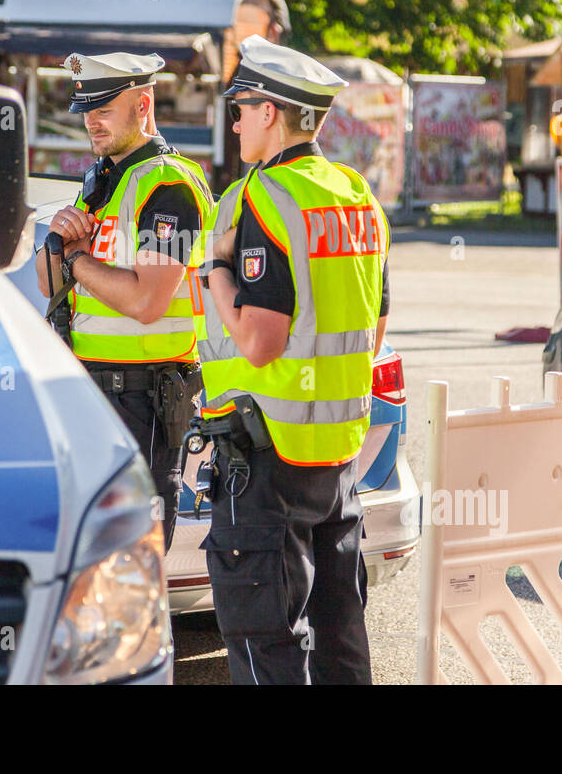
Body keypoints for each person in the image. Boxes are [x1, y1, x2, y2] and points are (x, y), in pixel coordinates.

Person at [195, 35, 390, 685]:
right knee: (339, 628)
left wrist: (217, 272)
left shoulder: (260, 200)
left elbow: (259, 341)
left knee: (267, 641)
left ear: (271, 112)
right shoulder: (355, 194)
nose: (235, 122)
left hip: (266, 458)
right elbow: (377, 322)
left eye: (243, 108)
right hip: (336, 457)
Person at [35, 51, 214, 551]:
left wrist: (75, 261)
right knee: (93, 559)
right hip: (95, 391)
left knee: (136, 555)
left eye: (104, 107)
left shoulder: (171, 187)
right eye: (86, 109)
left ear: (143, 103)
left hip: (145, 400)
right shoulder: (100, 180)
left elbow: (146, 302)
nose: (91, 120)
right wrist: (56, 239)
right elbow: (49, 285)